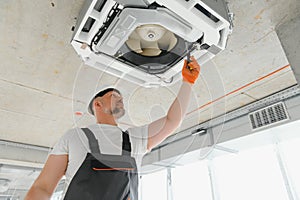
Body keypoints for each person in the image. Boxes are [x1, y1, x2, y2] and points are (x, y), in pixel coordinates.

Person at [25, 56, 200, 200]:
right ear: (98, 103)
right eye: (114, 95)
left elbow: (172, 121)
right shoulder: (75, 136)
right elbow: (43, 188)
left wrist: (187, 82)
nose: (121, 98)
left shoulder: (134, 139)